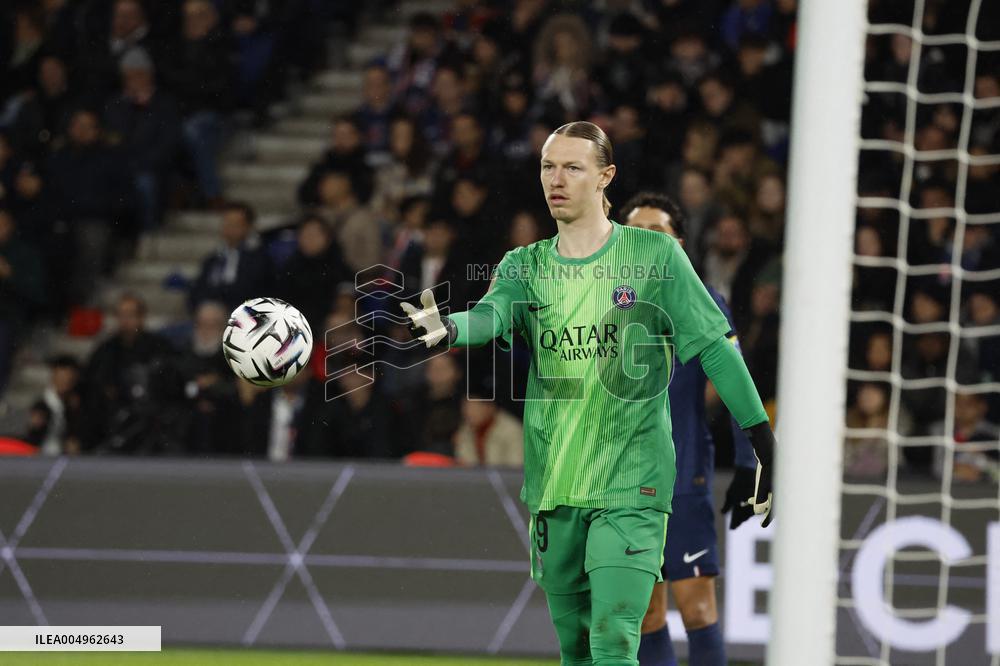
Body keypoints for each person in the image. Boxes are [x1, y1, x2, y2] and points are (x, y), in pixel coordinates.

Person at [401, 121, 775, 665]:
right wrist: (451, 328)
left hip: (633, 483)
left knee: (614, 635)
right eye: (548, 167)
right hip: (555, 486)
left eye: (572, 167)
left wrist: (761, 438)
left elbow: (717, 348)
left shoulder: (656, 258)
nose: (556, 179)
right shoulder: (524, 266)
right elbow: (492, 315)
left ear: (606, 176)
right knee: (576, 649)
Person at [621, 191, 758, 666]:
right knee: (644, 614)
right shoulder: (597, 302)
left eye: (655, 233)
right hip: (616, 487)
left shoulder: (702, 304)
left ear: (678, 243)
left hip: (682, 482)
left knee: (697, 608)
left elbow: (737, 384)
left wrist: (748, 464)